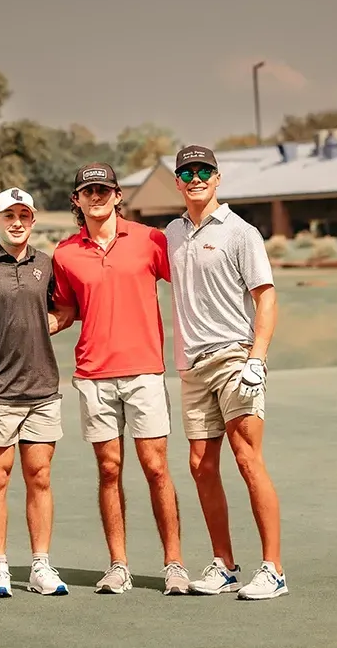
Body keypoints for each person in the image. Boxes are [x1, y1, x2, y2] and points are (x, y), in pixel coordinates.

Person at [49, 163, 190, 596]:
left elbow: (187, 282)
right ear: (77, 199)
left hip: (145, 370)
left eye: (104, 190)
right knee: (109, 470)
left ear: (117, 195)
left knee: (156, 468)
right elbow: (66, 311)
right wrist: (23, 326)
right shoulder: (65, 253)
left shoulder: (150, 240)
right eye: (88, 191)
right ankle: (118, 565)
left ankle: (175, 565)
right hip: (94, 375)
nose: (96, 197)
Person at [164, 145, 287, 600]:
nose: (195, 178)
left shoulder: (241, 233)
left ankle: (273, 569)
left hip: (235, 358)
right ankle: (225, 564)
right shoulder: (172, 234)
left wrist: (257, 357)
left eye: (203, 171)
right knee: (200, 465)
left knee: (247, 458)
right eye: (186, 172)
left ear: (217, 178)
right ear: (178, 181)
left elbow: (266, 297)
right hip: (192, 367)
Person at [0, 187, 69, 598]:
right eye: (9, 215)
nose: (17, 222)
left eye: (24, 214)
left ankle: (40, 565)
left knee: (39, 477)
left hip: (42, 387)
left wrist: (46, 327)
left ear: (33, 219)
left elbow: (65, 308)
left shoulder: (46, 264)